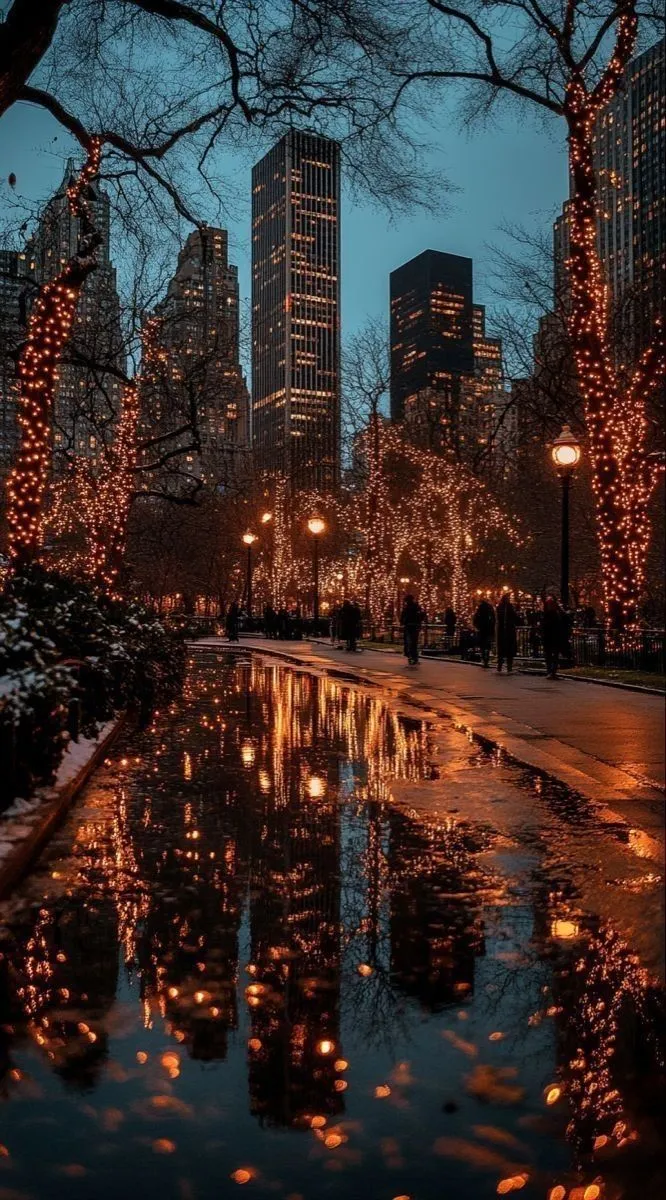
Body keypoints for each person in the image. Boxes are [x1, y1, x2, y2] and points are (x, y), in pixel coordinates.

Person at [541, 594, 565, 679]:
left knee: (551, 655)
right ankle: (551, 671)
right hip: (553, 637)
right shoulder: (554, 614)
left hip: (551, 637)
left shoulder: (548, 614)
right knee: (552, 655)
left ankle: (551, 671)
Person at [496, 592, 518, 673]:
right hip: (509, 631)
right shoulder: (509, 607)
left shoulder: (500, 607)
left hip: (502, 631)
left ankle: (500, 666)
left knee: (501, 650)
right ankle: (509, 667)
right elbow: (515, 617)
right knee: (509, 650)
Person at [400, 593, 425, 666]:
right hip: (415, 626)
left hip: (409, 626)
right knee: (414, 642)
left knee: (409, 642)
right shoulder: (417, 607)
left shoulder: (407, 608)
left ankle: (410, 656)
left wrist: (403, 622)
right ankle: (414, 657)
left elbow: (403, 617)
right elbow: (422, 615)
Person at [473, 598, 496, 668]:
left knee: (482, 645)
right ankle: (487, 659)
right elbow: (493, 618)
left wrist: (477, 626)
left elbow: (475, 619)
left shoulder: (479, 609)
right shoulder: (490, 608)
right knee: (488, 645)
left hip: (482, 629)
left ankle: (484, 659)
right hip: (489, 629)